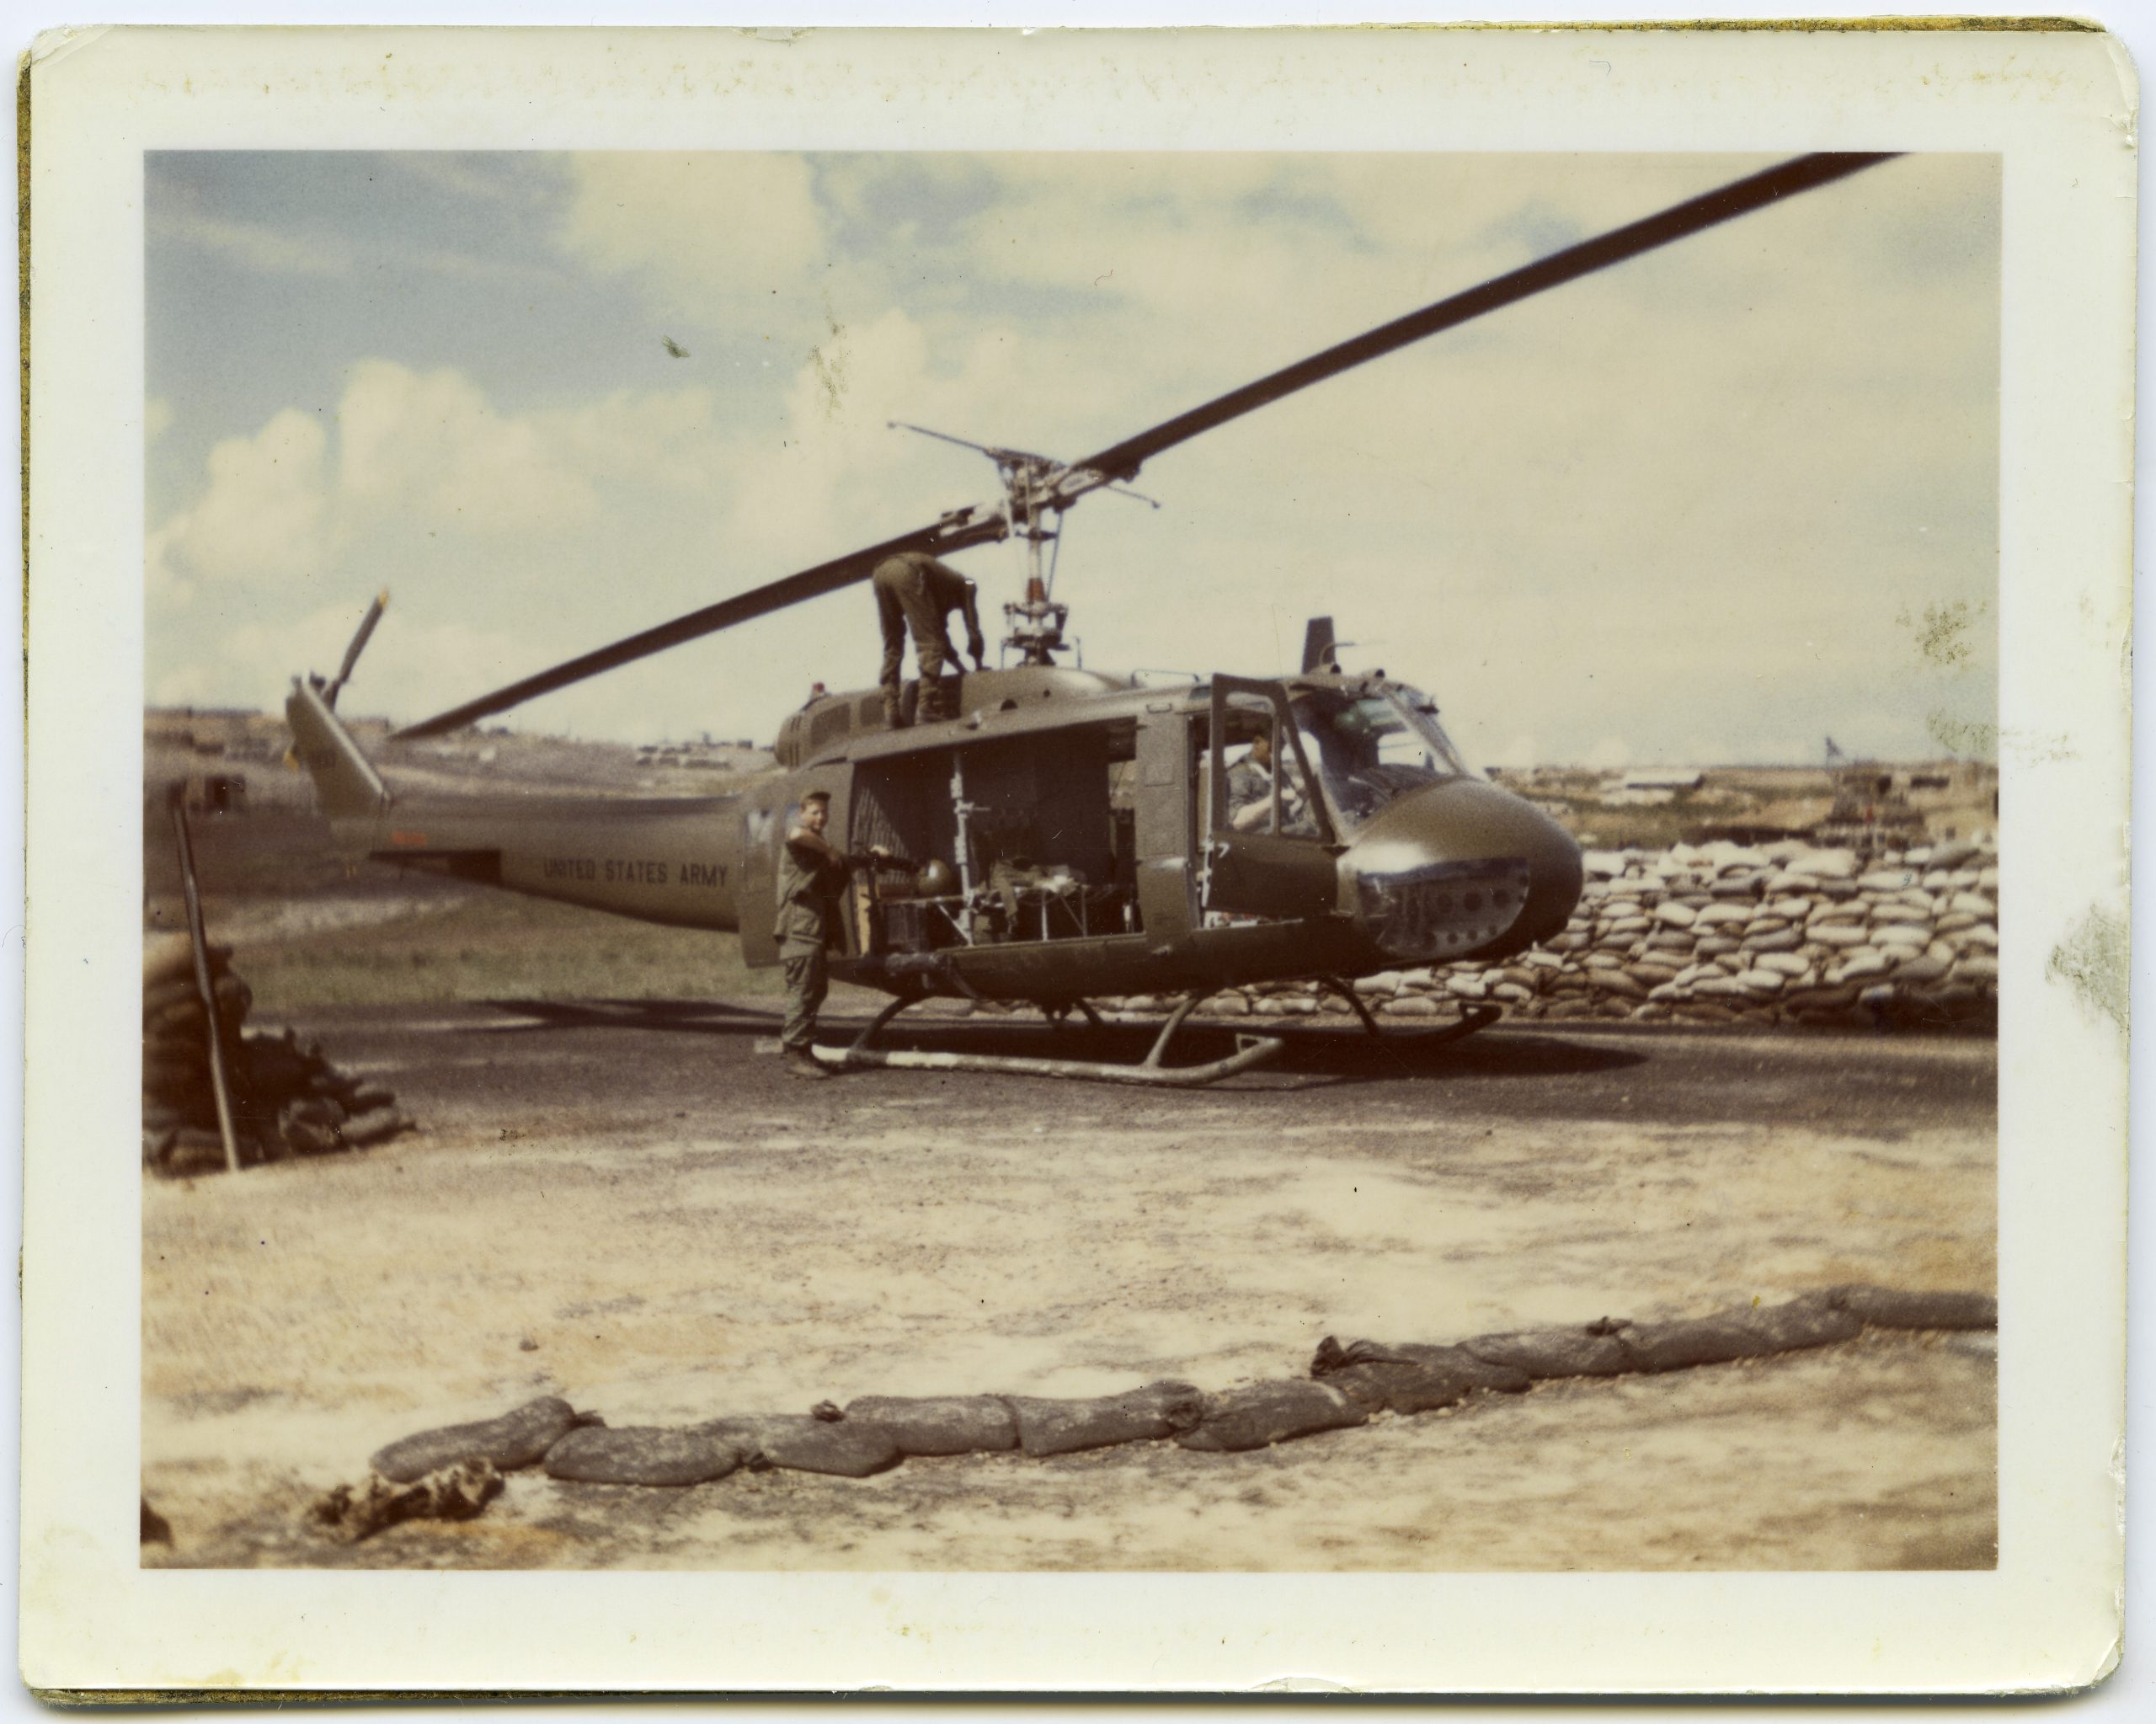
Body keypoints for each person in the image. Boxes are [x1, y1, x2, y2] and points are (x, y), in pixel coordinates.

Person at [773, 790, 886, 1081]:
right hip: (800, 931)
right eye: (814, 812)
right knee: (804, 991)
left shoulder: (819, 848)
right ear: (803, 813)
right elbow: (797, 835)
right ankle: (795, 1054)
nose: (820, 817)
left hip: (812, 932)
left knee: (815, 991)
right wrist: (829, 851)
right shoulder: (801, 840)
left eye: (824, 813)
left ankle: (805, 1052)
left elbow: (844, 862)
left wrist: (872, 856)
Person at [873, 550, 986, 729]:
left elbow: (941, 635)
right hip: (908, 571)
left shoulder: (940, 591)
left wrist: (960, 668)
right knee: (930, 644)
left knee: (893, 644)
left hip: (881, 572)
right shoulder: (968, 586)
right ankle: (925, 707)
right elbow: (973, 633)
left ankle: (891, 711)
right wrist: (978, 665)